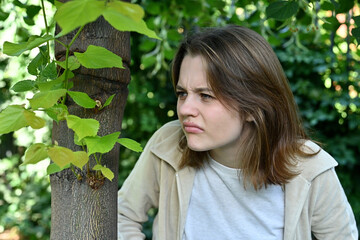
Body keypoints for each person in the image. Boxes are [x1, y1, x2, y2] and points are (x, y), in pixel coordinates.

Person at [118, 25, 358, 240]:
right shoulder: (168, 144)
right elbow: (122, 215)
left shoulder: (310, 167)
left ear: (254, 108)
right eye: (182, 93)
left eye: (206, 96)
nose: (185, 109)